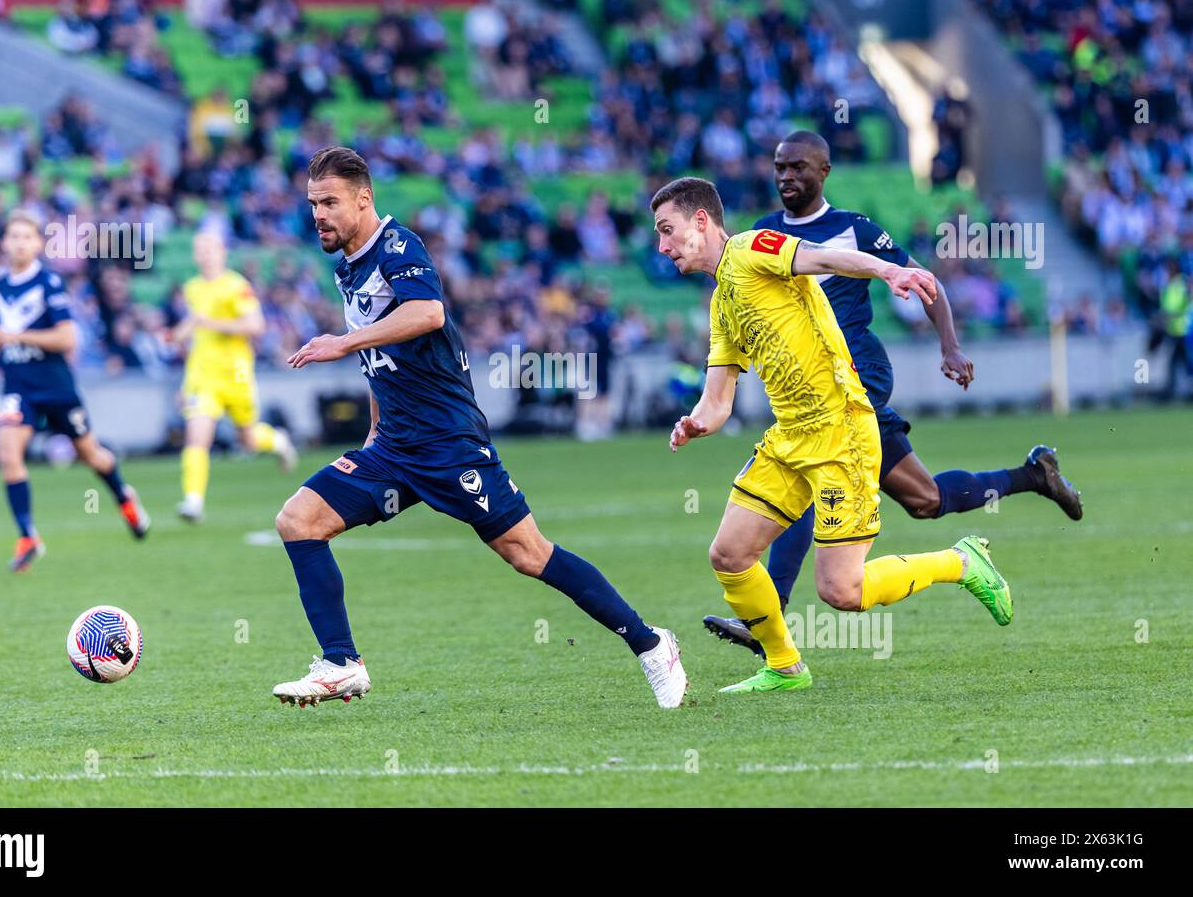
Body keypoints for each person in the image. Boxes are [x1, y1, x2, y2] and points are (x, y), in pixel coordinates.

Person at [269, 146, 687, 709]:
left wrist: (341, 343)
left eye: (330, 202)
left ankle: (651, 643)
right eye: (313, 202)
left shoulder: (397, 245)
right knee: (298, 520)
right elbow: (383, 358)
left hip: (448, 443)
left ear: (364, 199)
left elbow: (428, 313)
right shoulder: (348, 264)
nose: (318, 214)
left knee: (528, 555)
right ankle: (341, 663)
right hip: (394, 446)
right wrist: (373, 430)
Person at [703, 131, 1081, 656]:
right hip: (817, 388)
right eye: (779, 167)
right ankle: (1034, 476)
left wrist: (949, 346)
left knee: (814, 472)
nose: (787, 176)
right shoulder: (761, 235)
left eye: (798, 168)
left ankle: (771, 615)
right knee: (925, 500)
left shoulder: (854, 229)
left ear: (824, 171)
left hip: (858, 370)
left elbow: (922, 279)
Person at [651, 176, 1012, 694]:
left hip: (841, 430)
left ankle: (960, 561)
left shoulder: (754, 248)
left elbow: (823, 258)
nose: (662, 246)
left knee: (841, 590)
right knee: (729, 554)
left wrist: (890, 269)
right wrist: (695, 423)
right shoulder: (721, 302)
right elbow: (717, 400)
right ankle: (784, 667)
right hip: (791, 437)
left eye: (668, 230)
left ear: (701, 221)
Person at [0, 210, 149, 572]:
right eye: (13, 236)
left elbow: (66, 338)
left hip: (55, 386)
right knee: (7, 451)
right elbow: (3, 333)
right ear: (4, 243)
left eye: (27, 236)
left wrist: (15, 336)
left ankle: (123, 496)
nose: (19, 243)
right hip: (17, 385)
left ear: (39, 243)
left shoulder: (48, 283)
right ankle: (28, 536)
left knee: (91, 455)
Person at [174, 232, 297, 523]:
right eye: (199, 249)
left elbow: (256, 326)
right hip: (202, 377)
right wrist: (179, 334)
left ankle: (278, 441)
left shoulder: (236, 286)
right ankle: (193, 500)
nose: (203, 254)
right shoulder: (192, 288)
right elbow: (193, 326)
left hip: (237, 374)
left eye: (208, 248)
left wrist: (209, 323)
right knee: (197, 436)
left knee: (249, 439)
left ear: (222, 252)